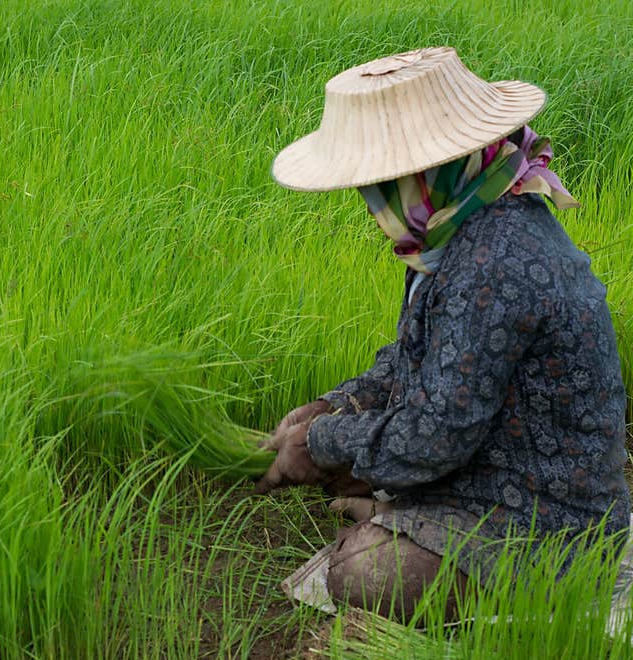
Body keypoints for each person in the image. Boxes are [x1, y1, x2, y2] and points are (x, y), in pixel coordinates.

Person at [257, 47, 631, 623]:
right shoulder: (454, 229)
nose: (370, 203)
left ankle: (429, 538)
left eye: (380, 184)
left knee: (361, 572)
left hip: (546, 516)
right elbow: (414, 357)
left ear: (424, 174)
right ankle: (408, 520)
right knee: (358, 454)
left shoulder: (494, 260)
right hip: (491, 461)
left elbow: (436, 435)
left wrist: (320, 444)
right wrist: (334, 406)